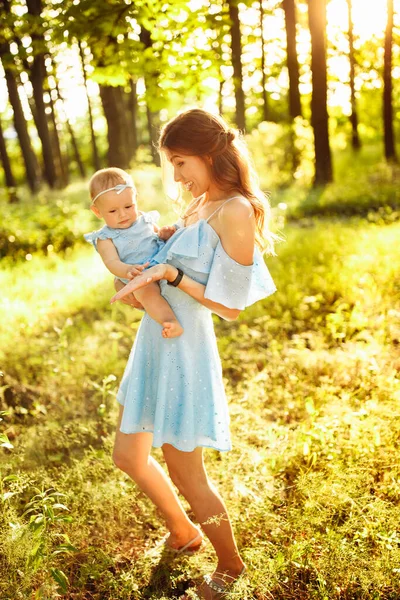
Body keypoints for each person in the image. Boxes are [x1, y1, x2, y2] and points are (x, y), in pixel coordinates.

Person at [110, 109, 278, 600]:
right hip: (154, 342)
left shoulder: (235, 210)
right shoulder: (197, 204)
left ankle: (229, 566)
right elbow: (174, 261)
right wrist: (155, 252)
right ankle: (184, 533)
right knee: (127, 455)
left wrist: (173, 276)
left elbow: (230, 306)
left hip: (186, 346)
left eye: (181, 162)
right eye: (172, 164)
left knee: (185, 469)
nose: (177, 176)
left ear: (208, 154)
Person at [84, 167, 183, 338]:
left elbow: (157, 236)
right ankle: (170, 321)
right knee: (148, 293)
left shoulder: (145, 220)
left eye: (129, 206)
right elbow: (112, 263)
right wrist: (127, 270)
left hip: (163, 263)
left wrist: (164, 234)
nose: (123, 214)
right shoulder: (105, 238)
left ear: (136, 199)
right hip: (138, 274)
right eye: (113, 211)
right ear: (97, 211)